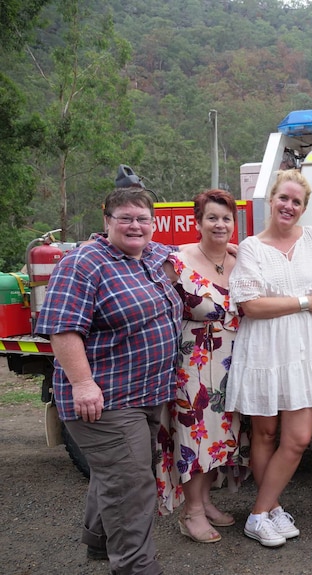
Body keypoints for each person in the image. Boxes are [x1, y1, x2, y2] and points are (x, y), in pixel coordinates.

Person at [36, 186, 182, 575]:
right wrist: (83, 384)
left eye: (143, 219)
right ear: (107, 222)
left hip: (148, 392)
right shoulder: (83, 263)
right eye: (126, 218)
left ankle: (101, 543)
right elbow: (63, 329)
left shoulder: (151, 255)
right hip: (107, 398)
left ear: (153, 224)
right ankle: (135, 567)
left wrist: (230, 254)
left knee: (117, 474)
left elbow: (184, 257)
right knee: (132, 486)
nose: (135, 225)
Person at [226, 169, 312, 547]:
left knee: (298, 438)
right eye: (283, 198)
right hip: (265, 351)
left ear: (304, 209)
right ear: (271, 200)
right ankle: (269, 510)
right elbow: (250, 305)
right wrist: (307, 300)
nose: (289, 206)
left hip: (305, 351)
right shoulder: (252, 247)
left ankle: (258, 512)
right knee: (265, 433)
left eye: (297, 202)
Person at [155, 189, 248, 543]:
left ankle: (205, 500)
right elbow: (154, 307)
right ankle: (190, 511)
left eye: (226, 218)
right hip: (192, 364)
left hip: (232, 364)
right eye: (212, 217)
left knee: (222, 436)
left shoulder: (240, 259)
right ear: (197, 222)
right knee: (195, 436)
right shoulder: (176, 261)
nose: (219, 224)